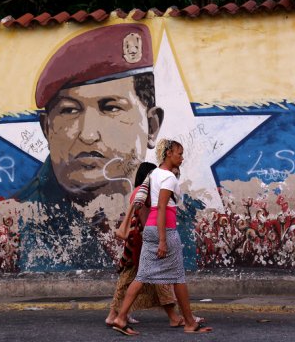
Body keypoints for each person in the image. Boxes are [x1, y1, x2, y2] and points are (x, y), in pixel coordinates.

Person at [15, 24, 165, 271]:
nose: (88, 134)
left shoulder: (182, 213)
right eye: (70, 110)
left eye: (111, 107)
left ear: (151, 126)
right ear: (46, 128)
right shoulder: (21, 219)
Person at [112, 139, 213, 336]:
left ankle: (121, 317)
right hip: (164, 230)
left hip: (150, 229)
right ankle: (190, 323)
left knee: (142, 276)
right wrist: (163, 240)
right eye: (179, 153)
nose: (181, 158)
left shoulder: (154, 174)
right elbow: (161, 209)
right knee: (178, 277)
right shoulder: (168, 178)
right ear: (168, 153)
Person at [105, 162, 183, 328]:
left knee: (130, 278)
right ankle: (175, 317)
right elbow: (147, 219)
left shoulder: (139, 192)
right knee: (159, 279)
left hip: (138, 241)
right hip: (144, 240)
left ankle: (116, 314)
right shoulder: (146, 193)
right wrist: (159, 237)